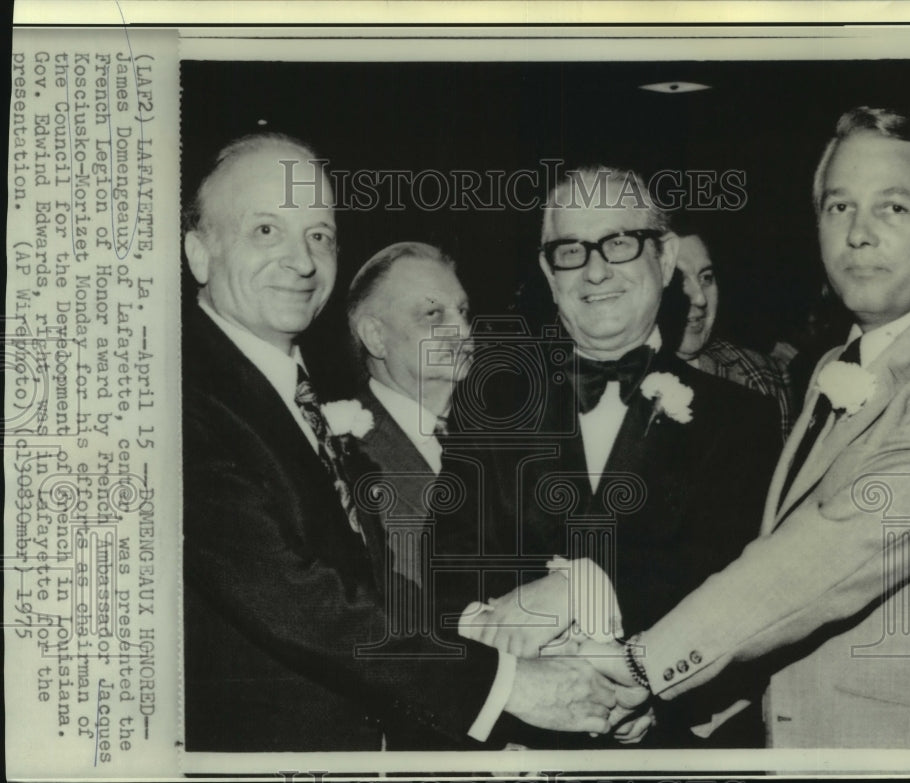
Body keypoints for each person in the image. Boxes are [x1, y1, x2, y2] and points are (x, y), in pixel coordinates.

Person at [181, 133, 639, 752]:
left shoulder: (291, 399)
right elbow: (303, 601)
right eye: (267, 230)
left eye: (319, 234)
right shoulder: (177, 400)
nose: (303, 260)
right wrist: (507, 683)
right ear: (199, 254)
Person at [581, 107, 910, 748]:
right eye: (838, 207)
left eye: (894, 208)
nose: (858, 234)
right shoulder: (835, 364)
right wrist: (682, 709)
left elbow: (833, 554)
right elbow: (780, 569)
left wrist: (644, 666)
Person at [436, 166, 782, 747]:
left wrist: (585, 591)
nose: (596, 271)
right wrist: (508, 657)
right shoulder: (490, 398)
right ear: (549, 272)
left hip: (667, 746)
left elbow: (737, 581)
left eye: (619, 242)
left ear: (665, 257)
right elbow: (444, 570)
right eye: (571, 250)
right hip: (518, 745)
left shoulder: (739, 419)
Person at [345, 242, 472, 589]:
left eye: (462, 311)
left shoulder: (495, 436)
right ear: (376, 337)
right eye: (433, 315)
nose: (462, 331)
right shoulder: (344, 453)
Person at [670, 214, 795, 439]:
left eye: (706, 277)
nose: (699, 298)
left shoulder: (759, 376)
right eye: (678, 280)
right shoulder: (602, 381)